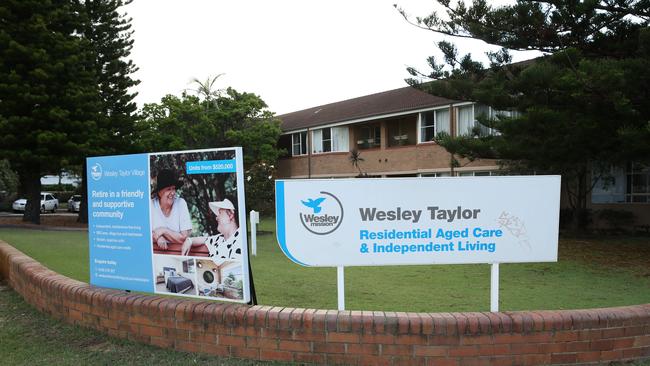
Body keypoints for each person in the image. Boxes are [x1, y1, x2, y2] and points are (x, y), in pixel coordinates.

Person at [150, 169, 192, 250]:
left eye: (173, 188)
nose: (172, 193)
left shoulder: (181, 203)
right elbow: (145, 234)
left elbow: (183, 237)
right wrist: (157, 237)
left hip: (178, 253)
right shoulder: (151, 205)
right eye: (168, 189)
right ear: (159, 192)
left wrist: (163, 230)